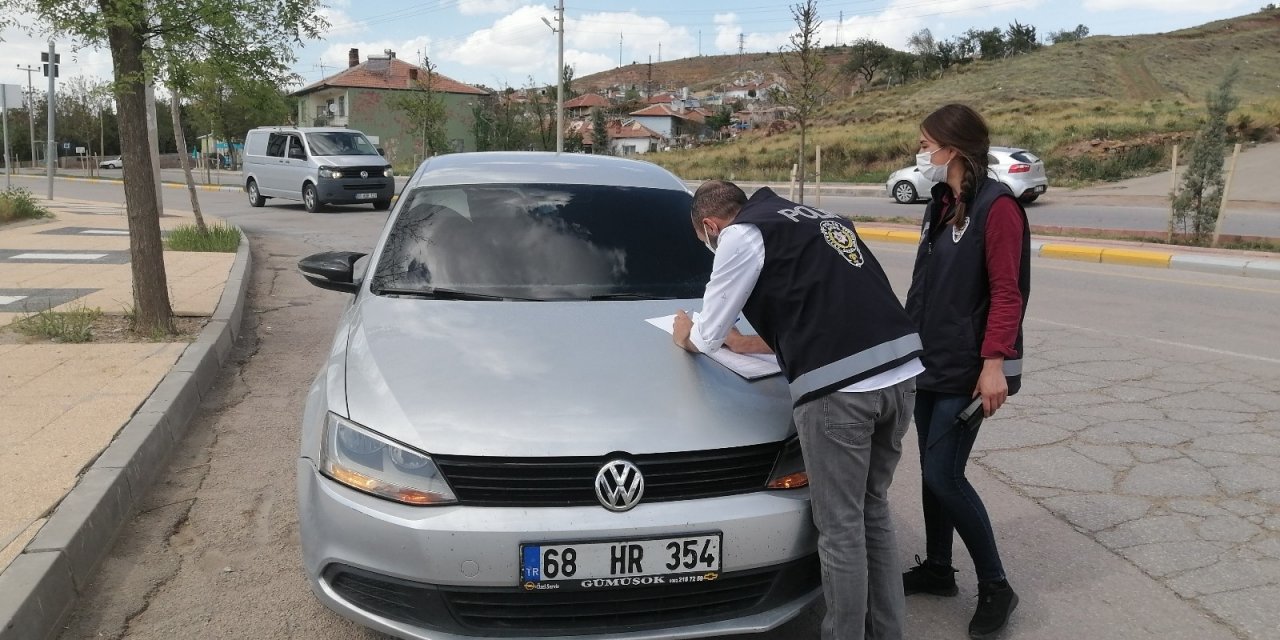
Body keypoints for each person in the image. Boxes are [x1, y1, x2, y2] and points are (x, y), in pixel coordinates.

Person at [672, 180, 924, 640]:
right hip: (900, 375)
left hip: (842, 392)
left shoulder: (740, 234)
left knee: (840, 527)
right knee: (873, 511)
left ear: (709, 225)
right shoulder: (811, 219)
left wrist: (684, 331)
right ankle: (889, 632)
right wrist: (748, 343)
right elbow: (825, 304)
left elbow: (706, 336)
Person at [901, 103, 1031, 640]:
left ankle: (997, 586)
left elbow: (1008, 292)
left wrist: (995, 364)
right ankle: (938, 568)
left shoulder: (997, 207)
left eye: (928, 143)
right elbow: (924, 286)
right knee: (934, 472)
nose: (922, 151)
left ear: (952, 148)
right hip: (931, 360)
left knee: (943, 474)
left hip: (974, 369)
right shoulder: (941, 202)